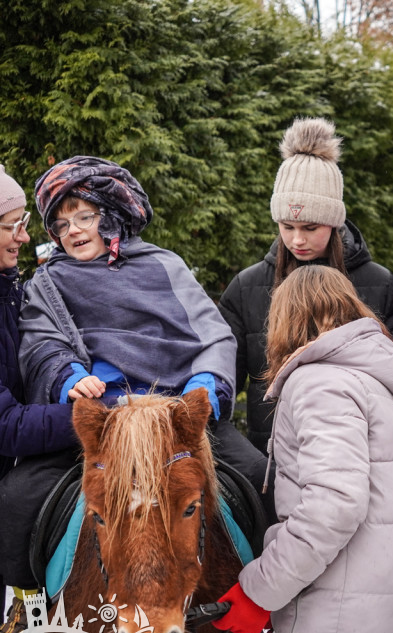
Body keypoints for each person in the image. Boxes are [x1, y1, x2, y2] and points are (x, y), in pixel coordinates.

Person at [10, 155, 271, 568]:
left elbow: (214, 333)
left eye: (83, 217)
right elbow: (42, 341)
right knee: (17, 496)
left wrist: (203, 387)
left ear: (112, 215)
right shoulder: (48, 283)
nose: (72, 230)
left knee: (259, 477)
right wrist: (68, 377)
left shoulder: (165, 266)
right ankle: (31, 609)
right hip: (104, 420)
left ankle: (259, 593)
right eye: (61, 225)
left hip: (178, 414)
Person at [212, 265, 393, 633]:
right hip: (348, 610)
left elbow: (334, 505)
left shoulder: (321, 383)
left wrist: (260, 591)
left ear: (284, 319)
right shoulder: (376, 384)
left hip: (337, 622)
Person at [219, 116, 393, 456]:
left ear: (335, 223)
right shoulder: (246, 287)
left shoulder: (377, 284)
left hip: (362, 454)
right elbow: (226, 386)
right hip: (270, 462)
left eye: (310, 226)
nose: (297, 239)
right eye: (286, 226)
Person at [0, 164, 82, 633]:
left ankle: (28, 622)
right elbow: (4, 425)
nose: (25, 237)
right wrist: (92, 418)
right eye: (12, 226)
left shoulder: (12, 287)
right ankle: (28, 622)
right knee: (18, 498)